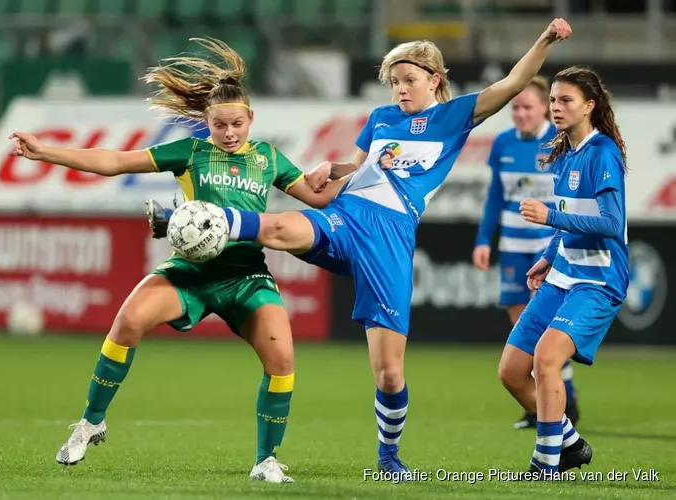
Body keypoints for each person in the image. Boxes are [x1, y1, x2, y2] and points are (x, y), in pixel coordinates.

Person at [201, 19, 572, 473]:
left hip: (391, 237)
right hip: (347, 216)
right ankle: (203, 220)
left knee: (389, 374)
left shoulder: (452, 116)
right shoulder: (380, 119)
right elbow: (355, 170)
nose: (400, 89)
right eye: (394, 81)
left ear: (434, 79)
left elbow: (514, 83)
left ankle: (389, 458)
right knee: (278, 229)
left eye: (409, 80)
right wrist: (329, 169)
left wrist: (545, 41)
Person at [8, 38, 344, 483]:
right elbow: (114, 162)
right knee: (127, 322)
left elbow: (319, 197)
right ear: (206, 122)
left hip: (246, 275)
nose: (229, 133)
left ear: (251, 120)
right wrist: (45, 151)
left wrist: (358, 169)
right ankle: (91, 422)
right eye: (220, 124)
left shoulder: (268, 157)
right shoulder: (190, 153)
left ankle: (266, 460)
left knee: (282, 362)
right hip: (191, 273)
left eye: (237, 124)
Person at [499, 66, 628, 478]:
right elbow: (573, 216)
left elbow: (612, 223)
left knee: (547, 358)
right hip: (563, 274)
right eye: (553, 100)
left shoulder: (602, 152)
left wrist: (550, 217)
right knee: (512, 372)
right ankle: (569, 444)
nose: (556, 107)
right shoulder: (564, 151)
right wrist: (549, 255)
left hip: (598, 279)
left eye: (565, 100)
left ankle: (545, 464)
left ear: (589, 106)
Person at [472, 76, 580, 430]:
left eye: (527, 107)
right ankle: (540, 406)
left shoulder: (561, 143)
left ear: (544, 108)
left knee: (547, 328)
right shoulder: (502, 143)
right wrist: (484, 239)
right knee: (522, 328)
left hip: (548, 249)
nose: (519, 113)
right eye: (515, 107)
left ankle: (562, 398)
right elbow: (495, 197)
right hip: (514, 248)